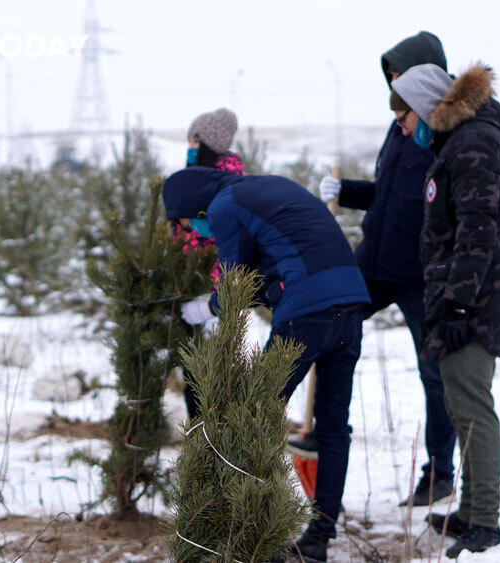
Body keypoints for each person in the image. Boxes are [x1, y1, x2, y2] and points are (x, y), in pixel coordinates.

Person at [163, 166, 370, 562]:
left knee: (253, 420)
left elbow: (236, 283)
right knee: (331, 425)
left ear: (193, 208)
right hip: (351, 305)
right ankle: (319, 538)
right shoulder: (267, 187)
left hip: (306, 312)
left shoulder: (224, 206)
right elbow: (274, 263)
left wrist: (205, 307)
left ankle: (262, 540)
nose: (190, 229)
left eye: (185, 222)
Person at [314, 30, 456, 507]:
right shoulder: (401, 125)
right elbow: (390, 193)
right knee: (327, 326)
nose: (394, 88)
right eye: (390, 79)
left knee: (433, 374)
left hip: (419, 274)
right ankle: (324, 429)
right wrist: (347, 192)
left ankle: (439, 471)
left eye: (399, 76)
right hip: (374, 261)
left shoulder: (445, 129)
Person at [390, 63, 500, 557]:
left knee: (472, 406)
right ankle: (470, 511)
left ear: (424, 107)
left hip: (476, 300)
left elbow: (478, 230)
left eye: (404, 115)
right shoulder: (462, 143)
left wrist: (460, 304)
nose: (403, 126)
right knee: (461, 403)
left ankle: (485, 520)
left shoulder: (473, 145)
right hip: (462, 295)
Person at [177, 107, 245, 420]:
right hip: (190, 283)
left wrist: (214, 297)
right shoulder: (196, 176)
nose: (189, 146)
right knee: (192, 373)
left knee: (209, 377)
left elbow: (228, 241)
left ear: (208, 144)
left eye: (193, 140)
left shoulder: (226, 181)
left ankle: (210, 446)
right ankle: (198, 445)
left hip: (213, 290)